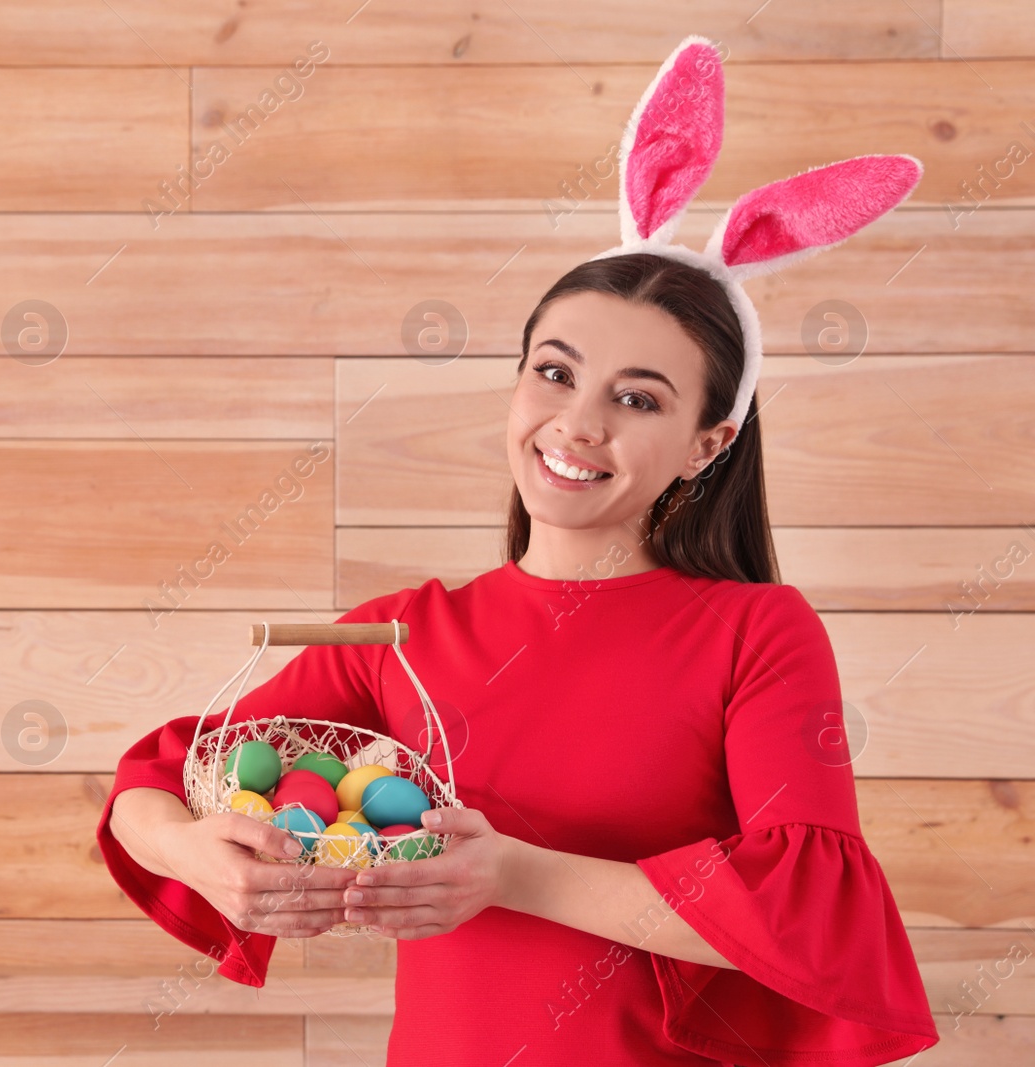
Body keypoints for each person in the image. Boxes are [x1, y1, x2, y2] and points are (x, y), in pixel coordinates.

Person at [98, 37, 939, 1065]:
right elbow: (157, 773)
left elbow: (802, 909)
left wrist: (512, 872)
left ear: (707, 444)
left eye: (637, 397)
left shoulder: (757, 631)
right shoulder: (401, 634)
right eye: (554, 372)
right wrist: (197, 848)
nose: (576, 425)